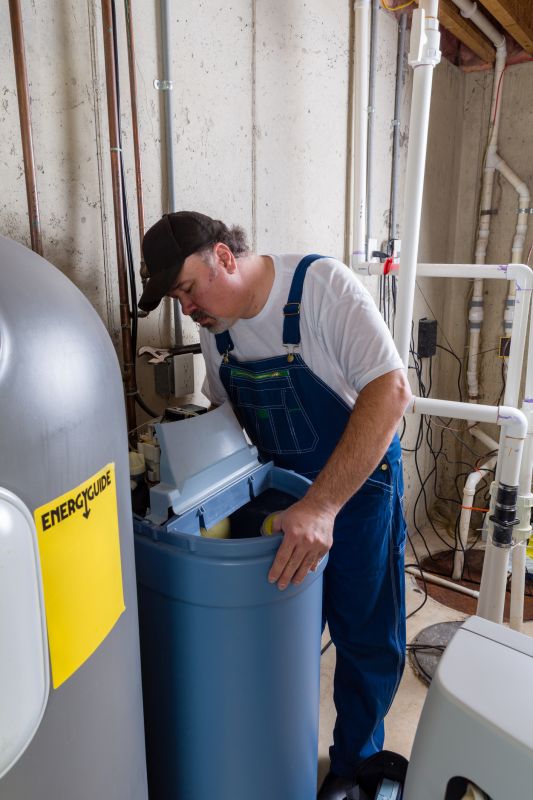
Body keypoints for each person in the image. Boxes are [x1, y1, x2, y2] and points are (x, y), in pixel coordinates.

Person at [139, 211, 411, 800]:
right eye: (177, 300)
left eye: (187, 289)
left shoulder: (320, 288)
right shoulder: (218, 333)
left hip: (358, 491)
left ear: (223, 257)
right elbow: (230, 425)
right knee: (283, 636)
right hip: (285, 500)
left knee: (365, 635)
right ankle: (277, 750)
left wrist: (323, 505)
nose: (187, 309)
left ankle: (355, 765)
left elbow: (391, 392)